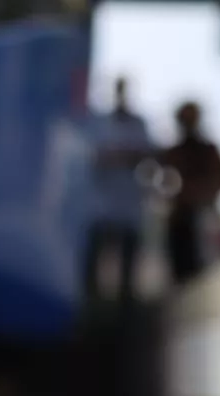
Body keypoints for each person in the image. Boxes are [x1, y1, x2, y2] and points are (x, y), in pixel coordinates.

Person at [85, 77, 156, 305]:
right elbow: (90, 155)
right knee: (95, 260)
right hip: (100, 203)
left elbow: (148, 153)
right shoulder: (97, 122)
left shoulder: (139, 123)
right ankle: (94, 304)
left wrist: (122, 156)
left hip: (130, 202)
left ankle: (126, 304)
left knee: (128, 262)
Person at [161, 101, 220, 287]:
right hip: (181, 224)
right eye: (185, 119)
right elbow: (161, 184)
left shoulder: (209, 151)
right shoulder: (172, 153)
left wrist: (203, 192)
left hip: (208, 219)